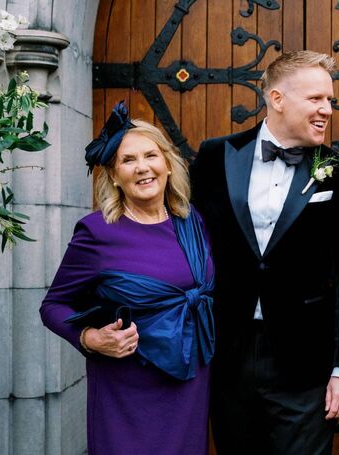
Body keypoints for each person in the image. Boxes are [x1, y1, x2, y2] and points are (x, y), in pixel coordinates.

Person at [190, 50, 339, 455]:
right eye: (316, 99)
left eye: (330, 100)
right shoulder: (215, 156)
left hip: (305, 363)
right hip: (227, 356)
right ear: (277, 99)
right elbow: (186, 246)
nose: (327, 109)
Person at [39, 101, 215, 455]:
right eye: (127, 160)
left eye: (150, 155)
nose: (142, 168)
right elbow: (53, 305)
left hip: (189, 382)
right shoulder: (97, 231)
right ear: (114, 175)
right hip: (126, 389)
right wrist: (89, 337)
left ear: (167, 163)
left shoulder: (191, 220)